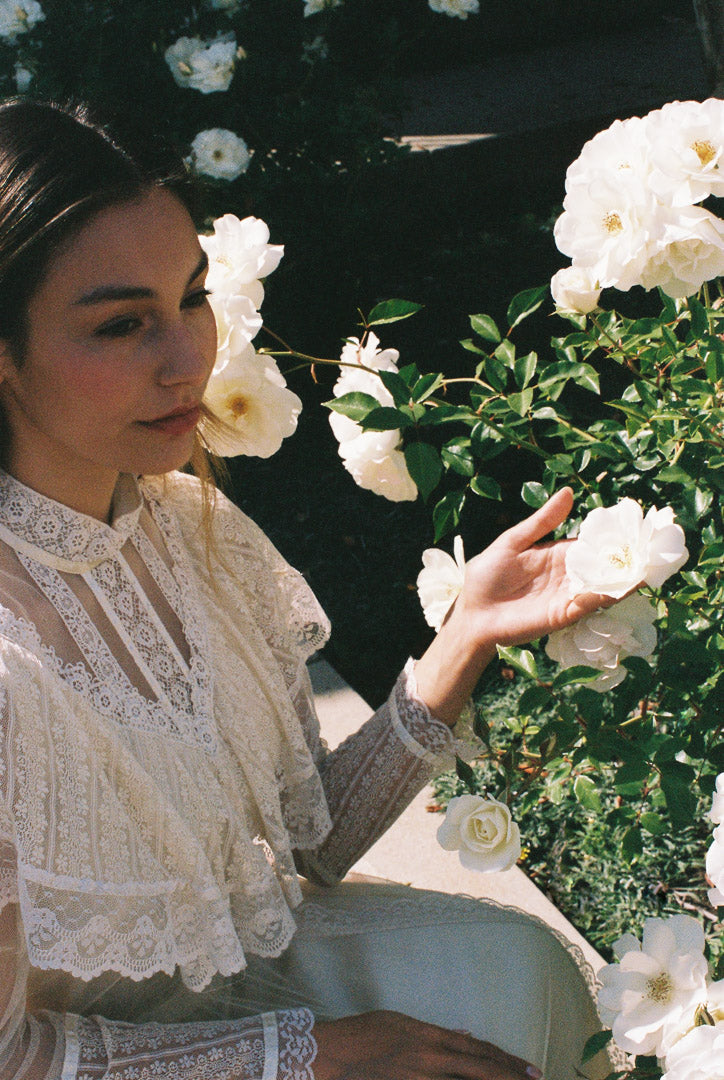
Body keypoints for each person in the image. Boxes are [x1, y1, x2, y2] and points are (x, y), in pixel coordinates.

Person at [0, 98, 616, 1080]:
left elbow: (302, 847)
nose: (185, 358)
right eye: (123, 324)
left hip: (235, 985)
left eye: (191, 299)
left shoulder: (190, 530)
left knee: (513, 973)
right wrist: (305, 1054)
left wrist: (467, 635)